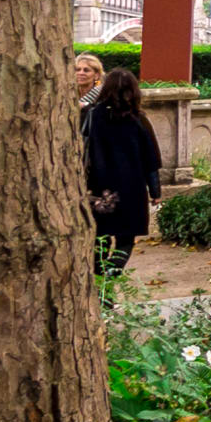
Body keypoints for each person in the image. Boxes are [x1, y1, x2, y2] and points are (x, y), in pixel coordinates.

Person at [76, 51, 163, 274]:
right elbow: (150, 158)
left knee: (100, 236)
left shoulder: (93, 115)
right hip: (131, 187)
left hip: (100, 187)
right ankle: (112, 277)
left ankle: (100, 280)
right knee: (126, 237)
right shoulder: (139, 119)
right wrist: (155, 192)